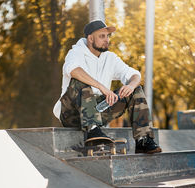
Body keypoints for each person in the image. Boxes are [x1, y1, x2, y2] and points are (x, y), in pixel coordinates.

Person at [53, 20, 162, 154]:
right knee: (81, 82)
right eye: (102, 36)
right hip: (71, 113)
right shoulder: (76, 53)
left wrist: (131, 85)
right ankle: (92, 130)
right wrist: (102, 88)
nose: (107, 40)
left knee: (135, 90)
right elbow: (74, 70)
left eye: (108, 36)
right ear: (90, 38)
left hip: (98, 110)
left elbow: (134, 74)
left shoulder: (110, 58)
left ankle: (143, 140)